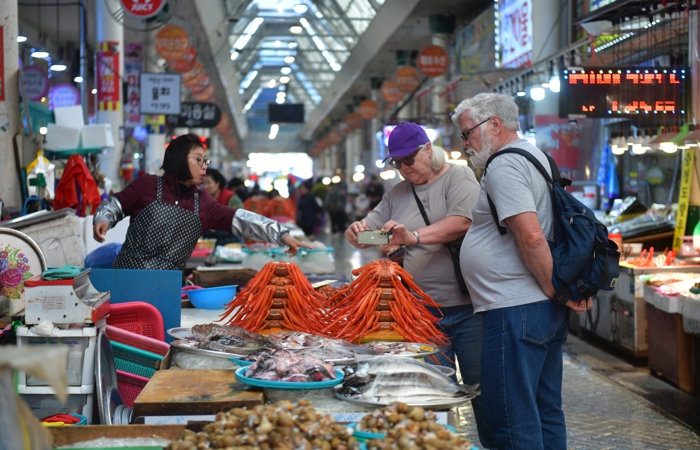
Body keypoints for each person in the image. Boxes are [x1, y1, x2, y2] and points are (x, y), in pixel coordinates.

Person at [454, 93, 591, 450]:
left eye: (467, 133)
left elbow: (531, 236)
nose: (465, 142)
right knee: (544, 411)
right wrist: (554, 293)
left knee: (512, 419)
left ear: (494, 124)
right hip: (534, 309)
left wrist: (553, 289)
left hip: (515, 310)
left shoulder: (504, 166)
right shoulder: (535, 155)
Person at [344, 122, 489, 445]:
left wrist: (413, 237)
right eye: (397, 163)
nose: (404, 168)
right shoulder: (397, 193)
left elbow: (461, 222)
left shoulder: (458, 176)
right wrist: (356, 233)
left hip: (470, 307)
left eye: (409, 159)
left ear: (428, 150)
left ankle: (493, 444)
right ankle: (439, 443)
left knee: (482, 389)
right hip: (422, 311)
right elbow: (372, 235)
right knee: (432, 392)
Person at [93, 134, 310, 270]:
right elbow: (116, 204)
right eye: (198, 160)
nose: (204, 165)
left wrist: (280, 234)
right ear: (179, 159)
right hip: (126, 277)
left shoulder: (203, 203)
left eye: (205, 160)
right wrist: (103, 218)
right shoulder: (147, 185)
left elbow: (240, 219)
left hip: (166, 288)